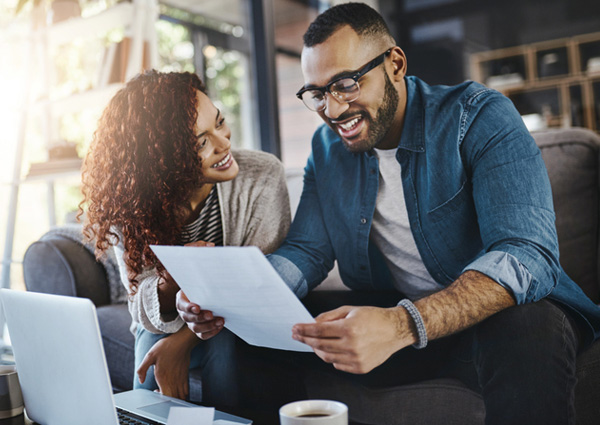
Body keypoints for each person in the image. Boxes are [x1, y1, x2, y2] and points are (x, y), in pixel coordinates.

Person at [177, 3, 600, 425]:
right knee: (240, 338)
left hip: (483, 325)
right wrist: (234, 299)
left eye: (345, 83)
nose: (333, 109)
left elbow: (527, 253)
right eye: (318, 93)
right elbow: (306, 251)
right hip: (393, 316)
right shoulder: (326, 153)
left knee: (528, 326)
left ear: (395, 64)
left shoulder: (478, 117)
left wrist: (402, 325)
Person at [80, 70, 291, 411]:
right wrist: (169, 281)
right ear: (163, 160)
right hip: (163, 324)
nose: (224, 144)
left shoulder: (262, 176)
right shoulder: (130, 204)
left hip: (237, 323)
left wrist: (180, 345)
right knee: (150, 340)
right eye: (201, 142)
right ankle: (142, 418)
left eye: (219, 123)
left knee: (220, 341)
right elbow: (141, 309)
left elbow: (256, 286)